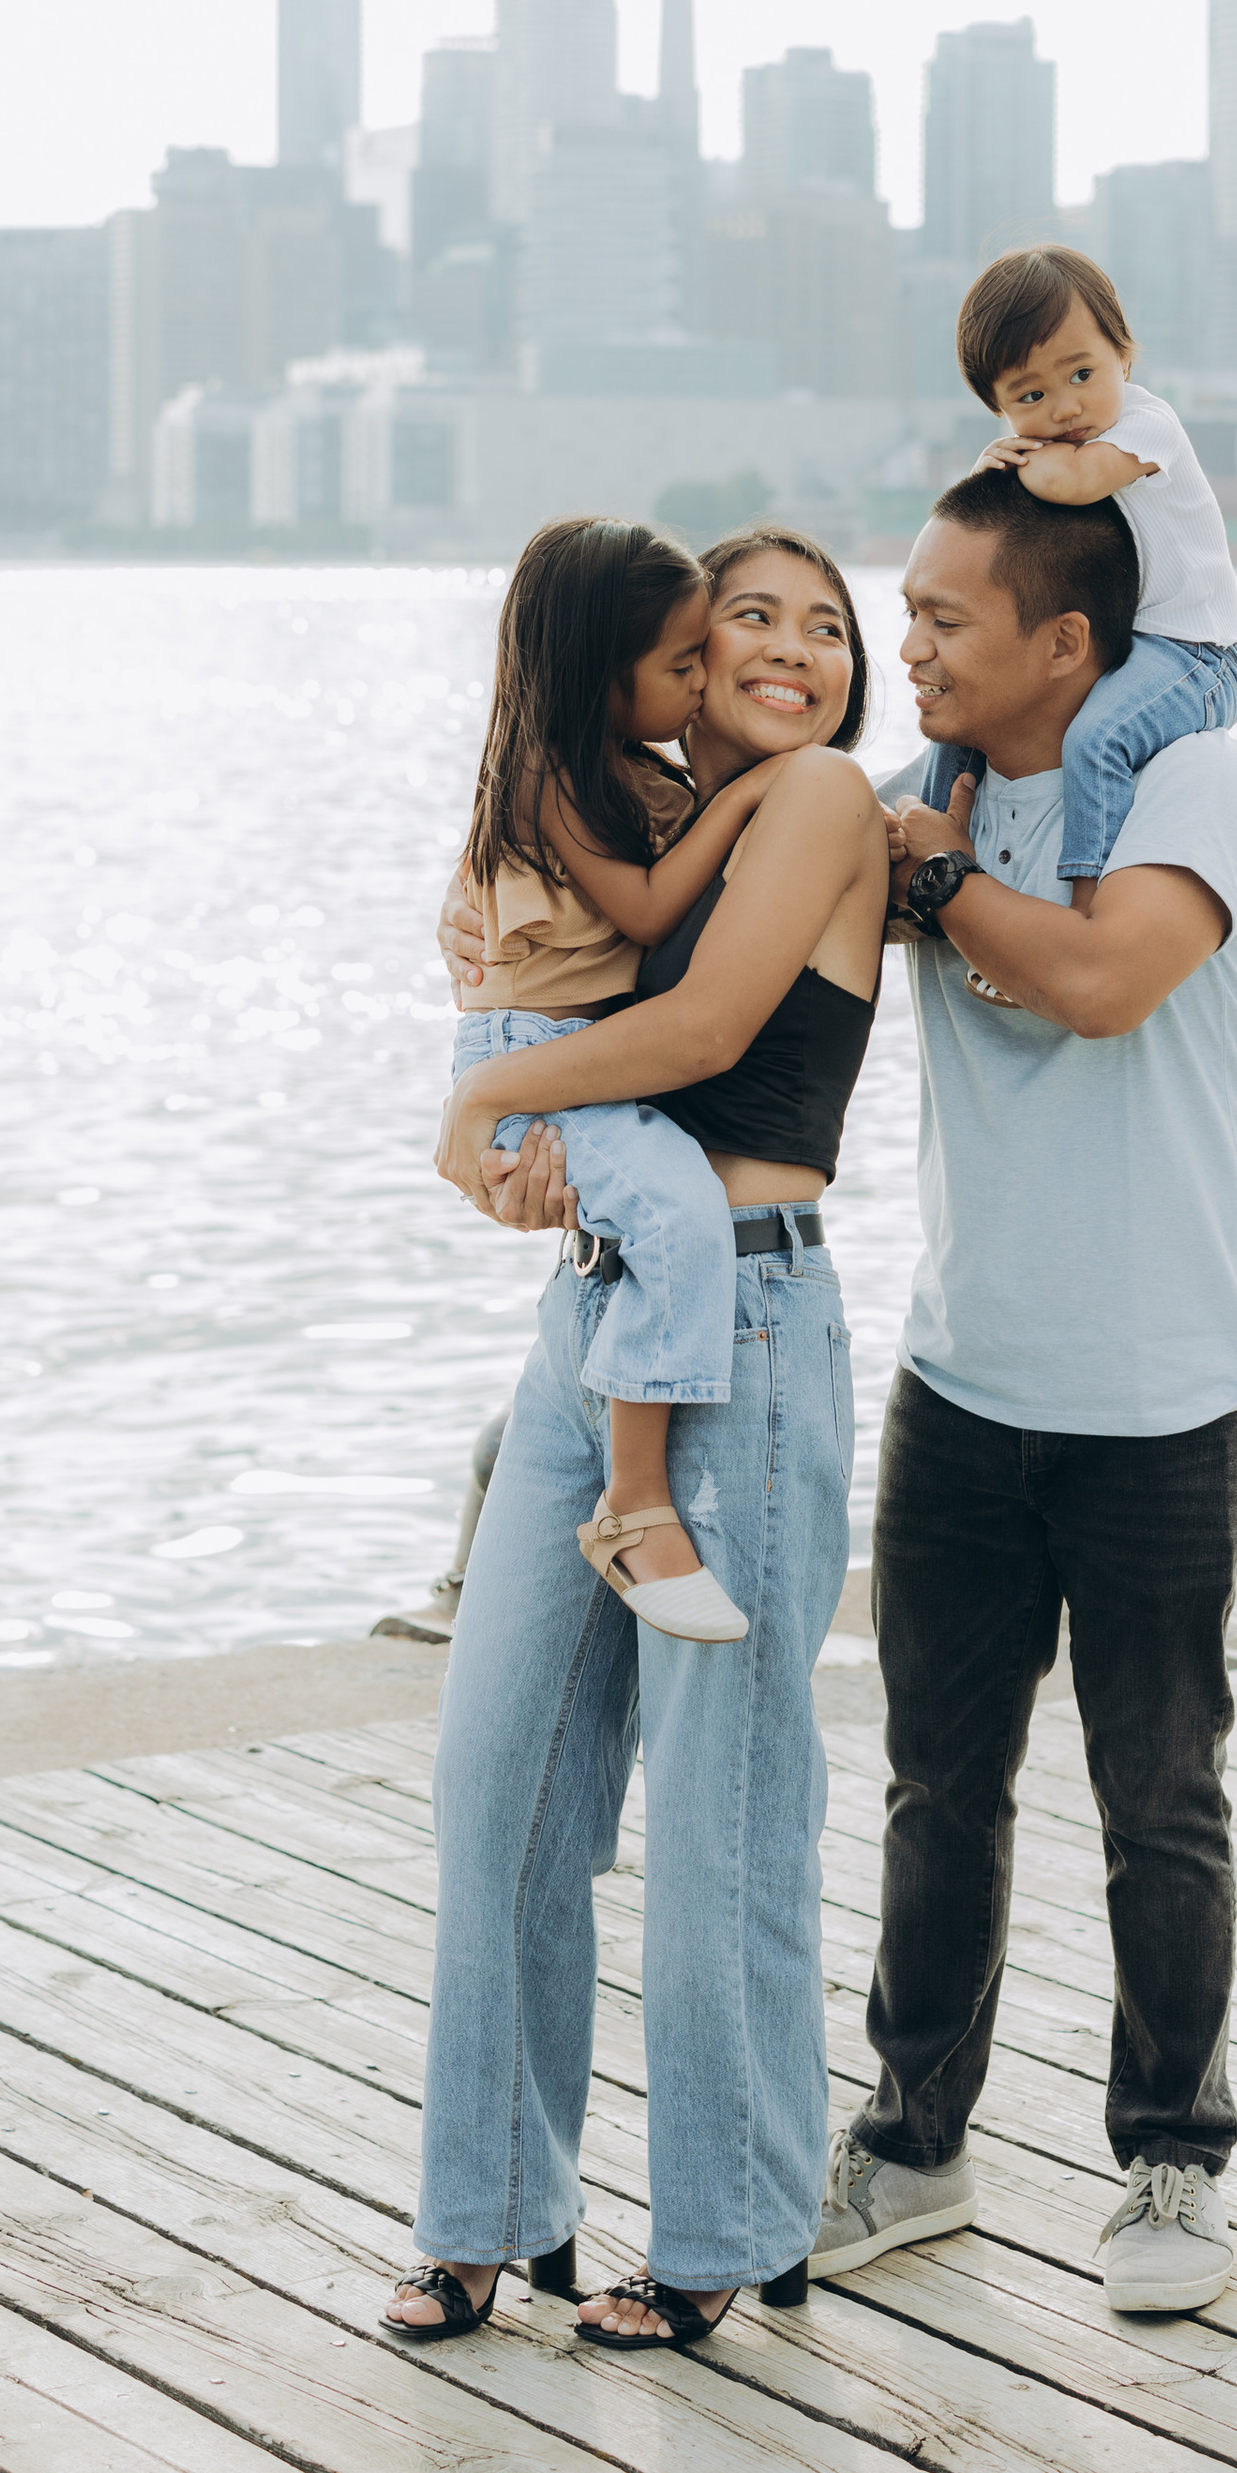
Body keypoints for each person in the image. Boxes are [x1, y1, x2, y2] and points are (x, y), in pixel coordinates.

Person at [386, 526, 889, 2362]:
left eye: (827, 625)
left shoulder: (822, 797)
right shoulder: (678, 823)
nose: (786, 648)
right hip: (599, 1321)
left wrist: (487, 1092)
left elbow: (702, 1029)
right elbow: (612, 1039)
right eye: (742, 621)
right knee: (499, 1776)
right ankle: (487, 2214)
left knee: (725, 1819)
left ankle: (728, 2236)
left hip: (746, 1322)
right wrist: (525, 1152)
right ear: (670, 662)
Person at [820, 463, 1237, 2320]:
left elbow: (1103, 980)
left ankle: (1172, 2167)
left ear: (1067, 643)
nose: (904, 640)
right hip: (965, 1380)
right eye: (905, 608)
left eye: (944, 617)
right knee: (942, 1786)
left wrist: (930, 878)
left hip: (1167, 1386)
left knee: (1159, 1793)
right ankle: (916, 2144)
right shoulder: (910, 800)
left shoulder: (1205, 784)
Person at [454, 514, 798, 1641]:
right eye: (681, 663)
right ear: (606, 676)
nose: (702, 684)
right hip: (535, 1060)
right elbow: (652, 911)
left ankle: (619, 1481)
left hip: (575, 1062)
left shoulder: (633, 780)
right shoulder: (549, 779)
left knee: (662, 1219)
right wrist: (746, 801)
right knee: (681, 1216)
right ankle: (633, 1502)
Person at [919, 246, 1237, 909]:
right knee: (961, 720)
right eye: (1033, 395)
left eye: (1081, 373)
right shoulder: (1051, 445)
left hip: (1199, 651)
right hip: (1128, 644)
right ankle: (931, 854)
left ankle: (1082, 903)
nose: (1067, 407)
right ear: (1000, 406)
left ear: (1124, 356)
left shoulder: (1146, 425)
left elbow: (1075, 482)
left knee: (1098, 738)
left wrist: (1010, 461)